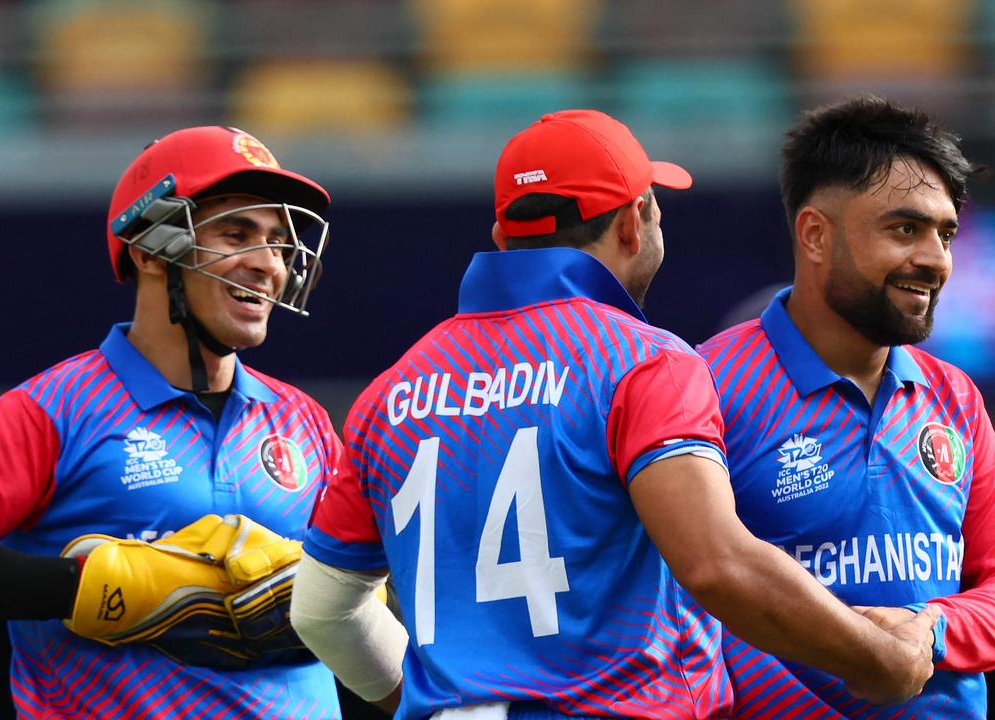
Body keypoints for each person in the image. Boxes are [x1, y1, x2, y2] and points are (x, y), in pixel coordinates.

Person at [294, 109, 944, 720]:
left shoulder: (392, 390)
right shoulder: (641, 360)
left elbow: (322, 611)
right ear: (637, 221)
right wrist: (878, 655)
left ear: (502, 236)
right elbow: (718, 564)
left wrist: (446, 703)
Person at [0, 126, 353, 718]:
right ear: (148, 249)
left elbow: (374, 587)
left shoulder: (304, 421)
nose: (268, 264)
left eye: (277, 243)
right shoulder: (55, 408)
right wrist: (104, 588)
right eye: (237, 233)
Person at [698, 97, 995, 719]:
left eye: (946, 234)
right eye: (904, 229)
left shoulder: (955, 396)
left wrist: (930, 629)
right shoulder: (708, 384)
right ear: (815, 234)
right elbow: (676, 593)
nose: (936, 261)